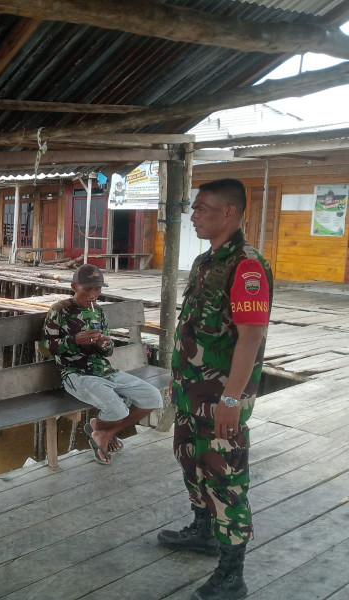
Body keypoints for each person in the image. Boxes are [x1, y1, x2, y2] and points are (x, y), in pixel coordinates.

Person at [157, 178, 273, 600]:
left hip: (221, 399)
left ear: (229, 212)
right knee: (190, 460)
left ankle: (231, 574)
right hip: (192, 394)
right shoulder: (206, 261)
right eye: (193, 207)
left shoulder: (247, 267)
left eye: (202, 208)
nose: (193, 215)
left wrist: (231, 399)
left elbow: (250, 337)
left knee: (226, 478)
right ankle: (203, 530)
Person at [39, 263, 163, 465]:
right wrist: (73, 340)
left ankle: (103, 432)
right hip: (76, 373)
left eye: (97, 289)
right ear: (74, 287)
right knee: (118, 410)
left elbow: (108, 351)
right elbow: (44, 347)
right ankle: (102, 430)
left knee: (153, 397)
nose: (93, 295)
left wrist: (105, 344)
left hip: (105, 370)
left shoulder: (99, 312)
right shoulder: (59, 310)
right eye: (87, 289)